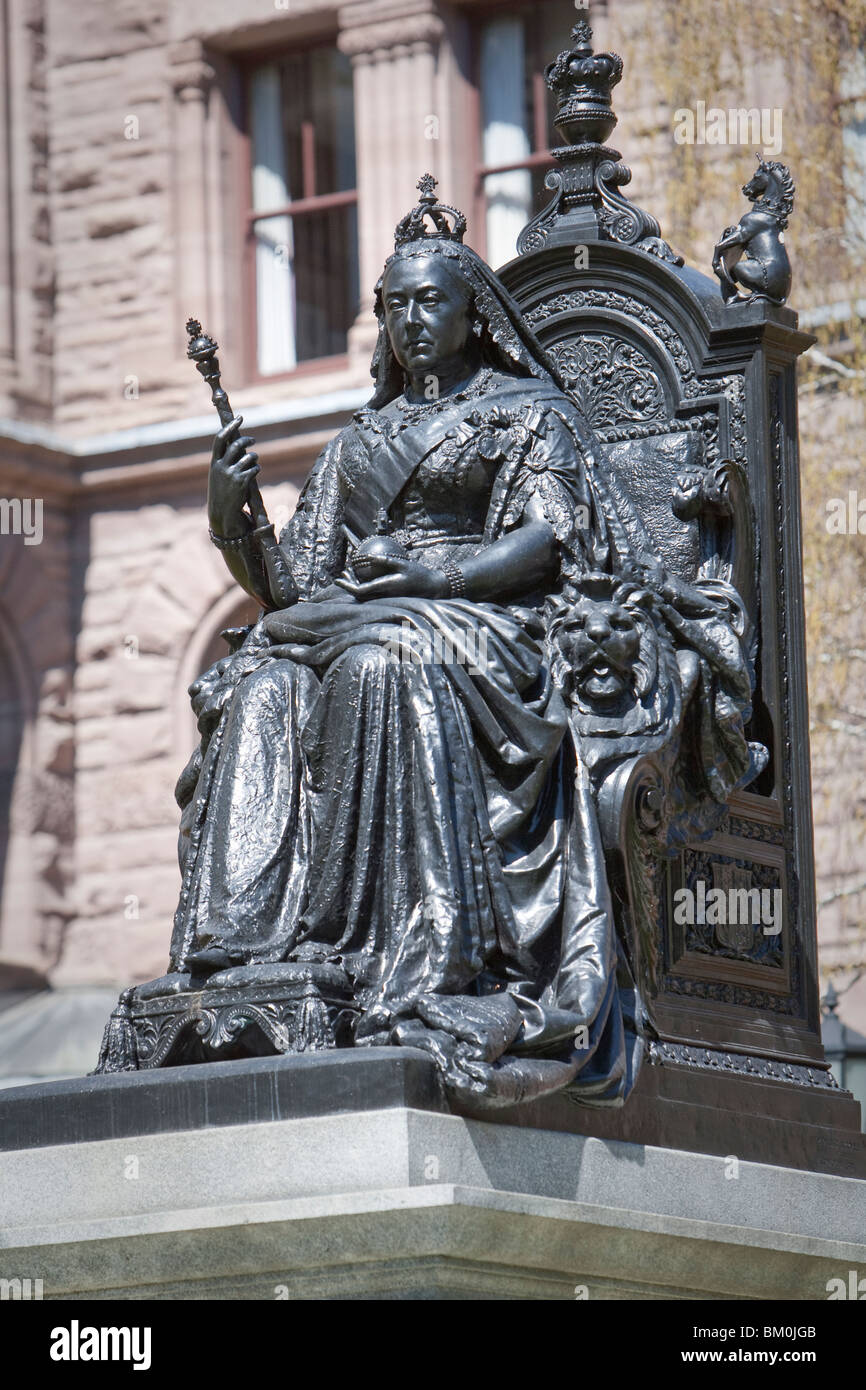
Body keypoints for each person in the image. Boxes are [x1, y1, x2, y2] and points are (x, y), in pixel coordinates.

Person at [168, 178, 756, 1107]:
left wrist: (437, 578)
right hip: (368, 611)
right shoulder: (362, 438)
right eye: (393, 305)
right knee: (265, 680)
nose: (409, 319)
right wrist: (230, 517)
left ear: (472, 311)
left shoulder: (529, 411)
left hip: (490, 616)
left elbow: (551, 538)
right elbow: (297, 586)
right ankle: (246, 949)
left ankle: (390, 952)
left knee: (377, 661)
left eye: (428, 299)